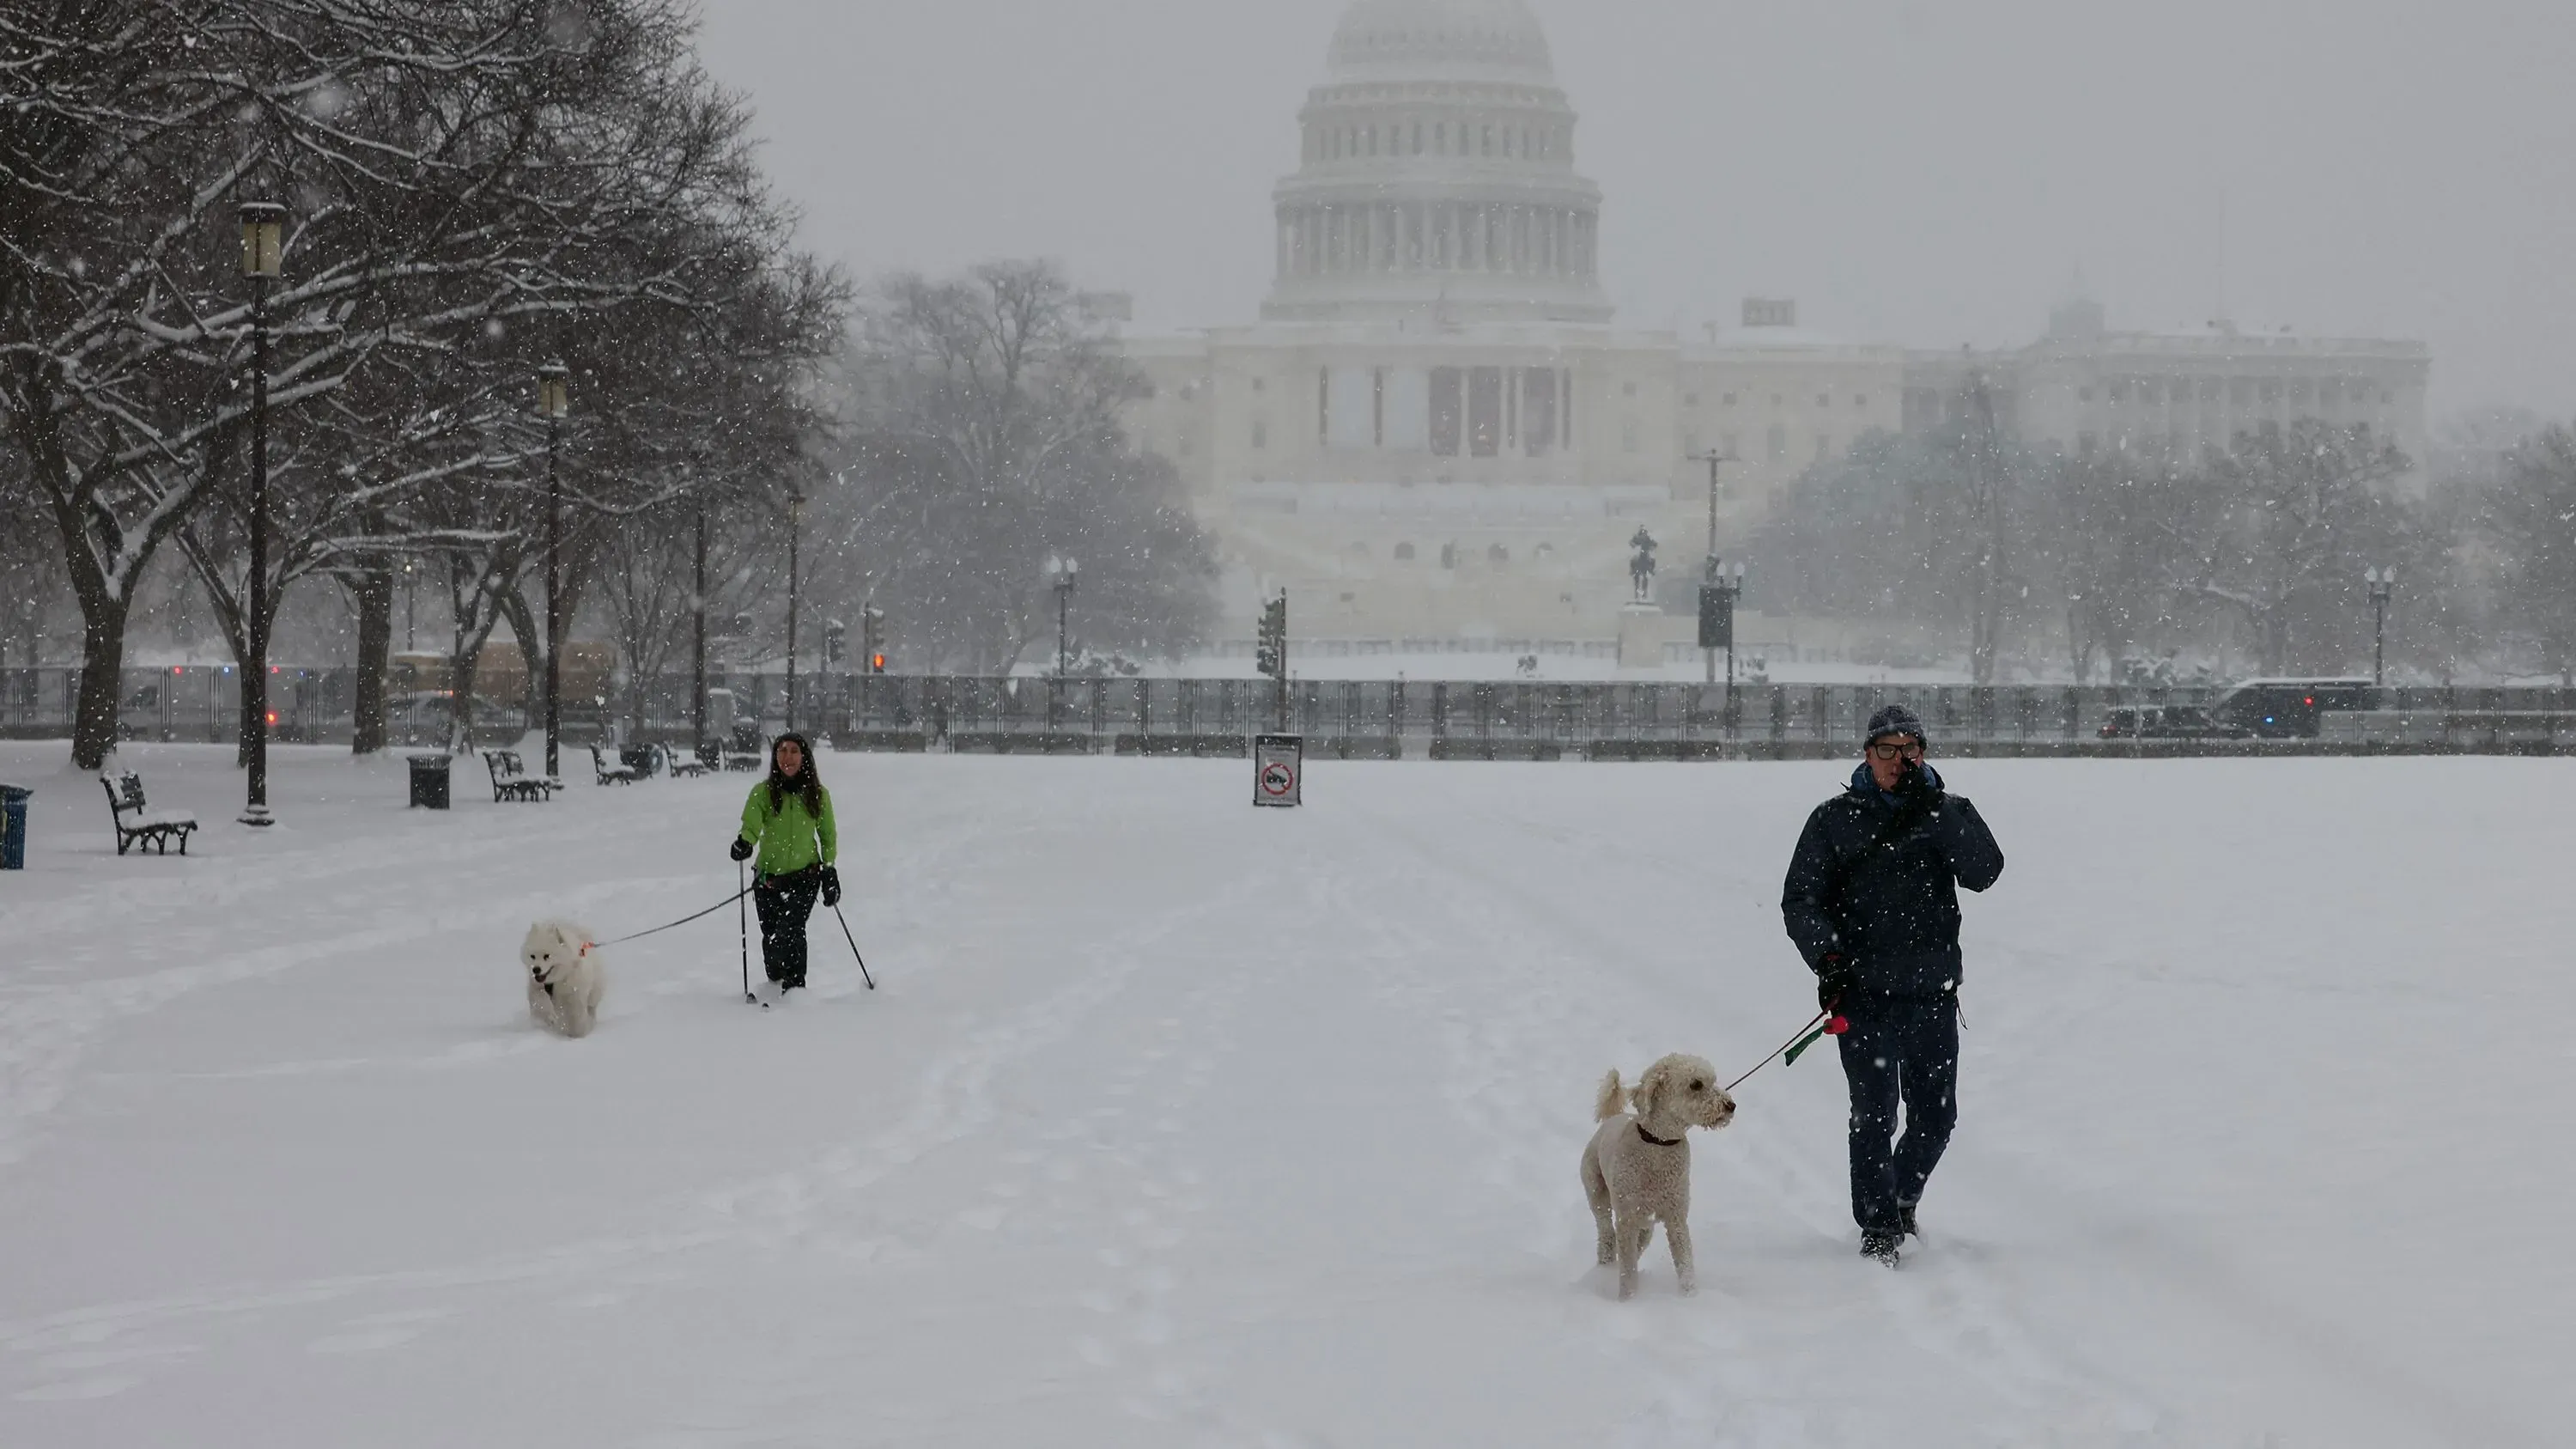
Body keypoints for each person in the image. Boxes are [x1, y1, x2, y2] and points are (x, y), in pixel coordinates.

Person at [1780, 703, 2004, 1266]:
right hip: (1863, 994)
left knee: (1937, 1115)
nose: (1899, 760)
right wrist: (1827, 958)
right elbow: (1801, 899)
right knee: (1874, 1113)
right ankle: (1878, 1225)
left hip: (1931, 994)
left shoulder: (1948, 811)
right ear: (1867, 754)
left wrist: (1938, 809)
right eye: (1887, 749)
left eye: (1910, 749)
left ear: (1923, 754)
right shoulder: (1835, 818)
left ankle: (1903, 1196)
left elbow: (1985, 871)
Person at [728, 732, 840, 993]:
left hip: (805, 876)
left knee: (791, 929)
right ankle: (776, 976)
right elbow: (751, 824)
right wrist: (745, 842)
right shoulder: (763, 793)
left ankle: (796, 990)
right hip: (768, 878)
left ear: (804, 757)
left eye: (793, 751)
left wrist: (830, 869)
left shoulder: (818, 795)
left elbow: (828, 835)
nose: (786, 757)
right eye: (781, 750)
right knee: (772, 936)